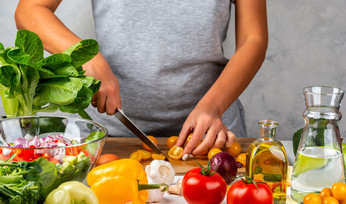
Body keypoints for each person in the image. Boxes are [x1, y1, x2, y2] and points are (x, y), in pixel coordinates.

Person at [15, 0, 268, 159]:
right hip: (112, 137)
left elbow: (253, 39)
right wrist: (89, 60)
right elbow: (30, 10)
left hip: (211, 137)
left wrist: (212, 106)